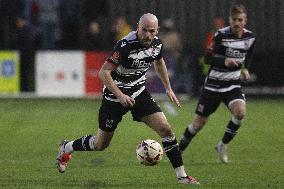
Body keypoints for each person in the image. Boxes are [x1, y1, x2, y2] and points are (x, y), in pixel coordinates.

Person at [56, 13, 199, 185]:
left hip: (138, 92)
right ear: (138, 28)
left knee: (166, 129)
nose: (147, 35)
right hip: (114, 97)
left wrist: (168, 88)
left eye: (151, 31)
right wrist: (120, 95)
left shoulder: (157, 44)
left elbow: (159, 62)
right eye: (143, 30)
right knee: (100, 144)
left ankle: (182, 177)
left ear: (157, 30)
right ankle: (67, 147)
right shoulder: (125, 45)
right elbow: (103, 72)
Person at [179, 4, 256, 163]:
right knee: (199, 124)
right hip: (213, 85)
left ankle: (222, 145)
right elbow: (207, 58)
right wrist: (225, 61)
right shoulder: (221, 35)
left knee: (240, 112)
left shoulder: (250, 37)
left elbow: (248, 55)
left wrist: (246, 69)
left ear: (245, 20)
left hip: (233, 85)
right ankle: (178, 150)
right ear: (230, 19)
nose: (236, 23)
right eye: (234, 19)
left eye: (240, 20)